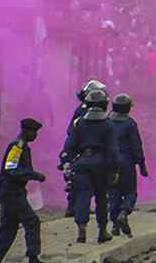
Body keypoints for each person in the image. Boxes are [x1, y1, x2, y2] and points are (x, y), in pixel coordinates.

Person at [62, 89, 116, 244]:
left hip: (82, 164)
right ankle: (102, 231)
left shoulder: (79, 123)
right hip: (102, 165)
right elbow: (113, 149)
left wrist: (67, 162)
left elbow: (70, 146)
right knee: (101, 198)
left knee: (82, 196)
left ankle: (81, 230)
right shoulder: (108, 125)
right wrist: (115, 168)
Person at [0, 119, 45, 263]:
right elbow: (11, 169)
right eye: (34, 132)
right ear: (26, 131)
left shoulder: (22, 146)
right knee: (32, 221)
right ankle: (33, 257)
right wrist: (34, 175)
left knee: (9, 226)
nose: (36, 135)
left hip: (10, 190)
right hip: (11, 190)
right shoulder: (18, 146)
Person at [61, 80, 108, 217]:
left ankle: (75, 207)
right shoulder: (84, 110)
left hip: (78, 147)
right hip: (81, 149)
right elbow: (75, 130)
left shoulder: (84, 108)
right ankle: (74, 208)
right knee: (78, 181)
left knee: (78, 180)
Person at [107, 95, 148, 237]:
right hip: (126, 163)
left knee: (113, 193)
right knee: (130, 192)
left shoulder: (107, 122)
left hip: (110, 163)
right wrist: (142, 165)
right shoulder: (130, 124)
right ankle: (124, 212)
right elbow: (137, 147)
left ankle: (114, 226)